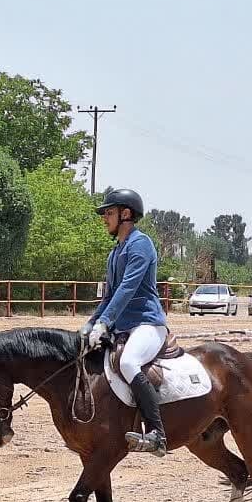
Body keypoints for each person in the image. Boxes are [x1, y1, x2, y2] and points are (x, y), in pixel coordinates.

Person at [81, 188, 170, 457]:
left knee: (129, 362)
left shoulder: (141, 244)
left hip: (147, 323)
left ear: (126, 214)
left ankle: (157, 433)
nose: (104, 218)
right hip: (122, 327)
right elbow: (109, 296)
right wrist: (91, 324)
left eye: (109, 212)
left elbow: (128, 289)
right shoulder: (114, 252)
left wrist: (105, 322)